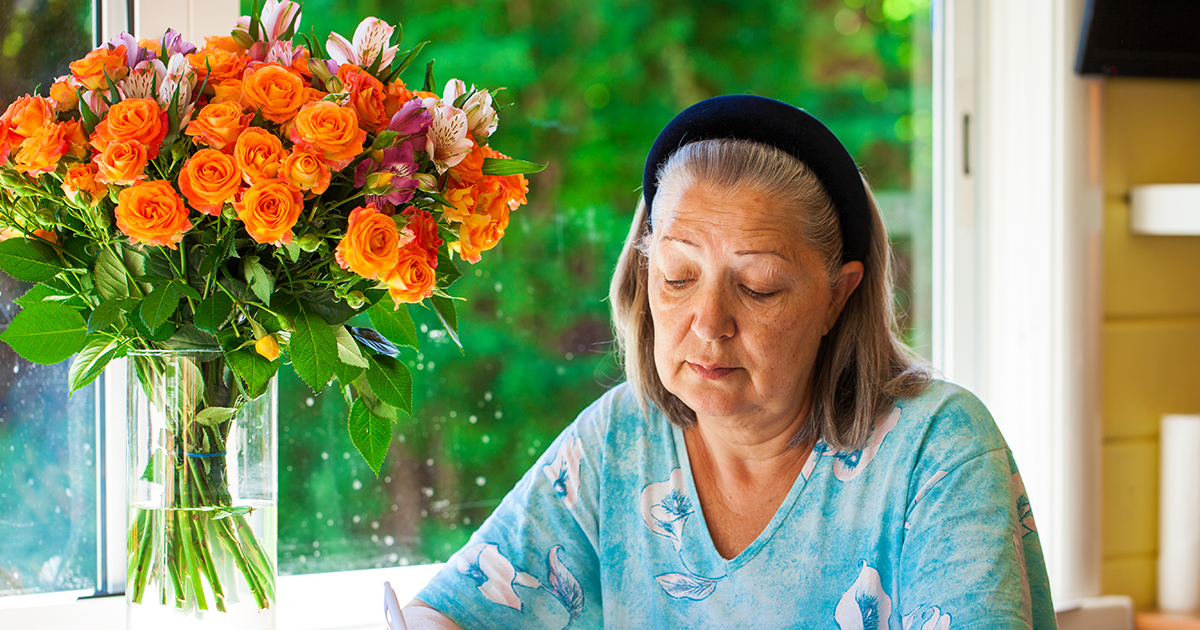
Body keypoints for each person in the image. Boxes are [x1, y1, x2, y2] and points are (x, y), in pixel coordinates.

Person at [401, 95, 1057, 629]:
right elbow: (451, 612)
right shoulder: (619, 439)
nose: (708, 324)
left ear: (838, 296)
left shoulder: (938, 447)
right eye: (679, 276)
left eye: (760, 285)